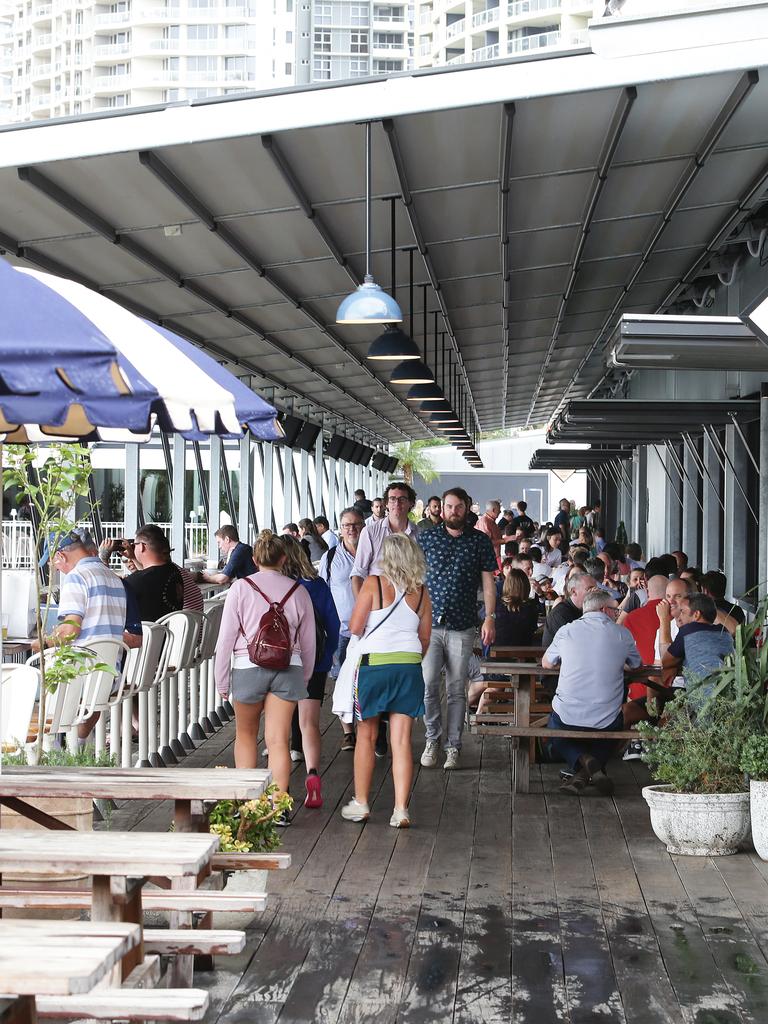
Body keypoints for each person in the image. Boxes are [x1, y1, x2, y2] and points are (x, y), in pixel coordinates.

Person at [214, 531, 315, 808]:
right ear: (284, 558)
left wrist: (222, 680)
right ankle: (278, 806)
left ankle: (248, 804)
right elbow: (309, 642)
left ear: (255, 559)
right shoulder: (299, 591)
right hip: (289, 668)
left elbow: (225, 639)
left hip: (247, 667)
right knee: (279, 740)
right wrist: (303, 676)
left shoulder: (240, 588)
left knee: (246, 735)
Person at [340, 534, 432, 827]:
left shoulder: (373, 583)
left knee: (366, 736)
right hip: (409, 668)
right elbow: (425, 637)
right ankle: (401, 809)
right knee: (402, 740)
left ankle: (362, 803)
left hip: (374, 667)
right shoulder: (421, 592)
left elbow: (355, 626)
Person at [417, 487, 497, 770]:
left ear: (467, 508)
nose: (453, 511)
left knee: (456, 689)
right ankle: (432, 739)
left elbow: (488, 582)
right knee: (428, 684)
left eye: (458, 507)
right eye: (449, 506)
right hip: (429, 624)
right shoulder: (425, 538)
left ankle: (453, 746)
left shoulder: (479, 541)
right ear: (439, 508)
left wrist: (490, 617)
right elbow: (415, 581)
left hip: (463, 625)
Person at [543, 589, 645, 796]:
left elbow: (546, 663)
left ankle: (583, 765)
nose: (617, 614)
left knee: (554, 728)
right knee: (614, 726)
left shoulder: (567, 630)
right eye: (616, 611)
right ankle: (590, 766)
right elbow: (636, 665)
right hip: (607, 717)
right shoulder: (622, 634)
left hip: (567, 714)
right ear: (604, 609)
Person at [281, 537, 340, 810]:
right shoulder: (316, 585)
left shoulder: (273, 587)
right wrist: (326, 656)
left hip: (280, 663)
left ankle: (280, 788)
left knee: (278, 729)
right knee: (309, 724)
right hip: (313, 661)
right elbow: (334, 624)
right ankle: (313, 774)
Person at [319, 507, 365, 751]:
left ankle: (371, 726)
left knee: (367, 678)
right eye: (347, 525)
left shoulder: (373, 554)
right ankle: (348, 731)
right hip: (340, 629)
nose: (351, 529)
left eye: (356, 524)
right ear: (340, 528)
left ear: (364, 526)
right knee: (340, 678)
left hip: (370, 628)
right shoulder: (330, 557)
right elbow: (323, 590)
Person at [663, 593, 734, 700]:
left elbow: (666, 661)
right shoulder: (724, 631)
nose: (679, 616)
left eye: (682, 611)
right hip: (730, 698)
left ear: (696, 614)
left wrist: (676, 664)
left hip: (701, 700)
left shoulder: (688, 631)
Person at [122, 525, 184, 622]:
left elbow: (107, 598)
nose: (133, 549)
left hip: (145, 636)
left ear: (142, 546)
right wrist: (134, 558)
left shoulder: (135, 581)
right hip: (172, 634)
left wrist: (103, 558)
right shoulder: (174, 570)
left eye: (134, 545)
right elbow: (148, 574)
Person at [541, 571, 597, 648]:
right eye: (589, 589)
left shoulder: (588, 609)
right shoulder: (560, 614)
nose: (594, 593)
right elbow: (578, 644)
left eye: (596, 589)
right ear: (574, 592)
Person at [494, 568, 540, 647]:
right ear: (526, 586)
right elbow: (533, 628)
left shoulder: (496, 604)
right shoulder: (530, 607)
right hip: (524, 653)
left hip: (497, 652)